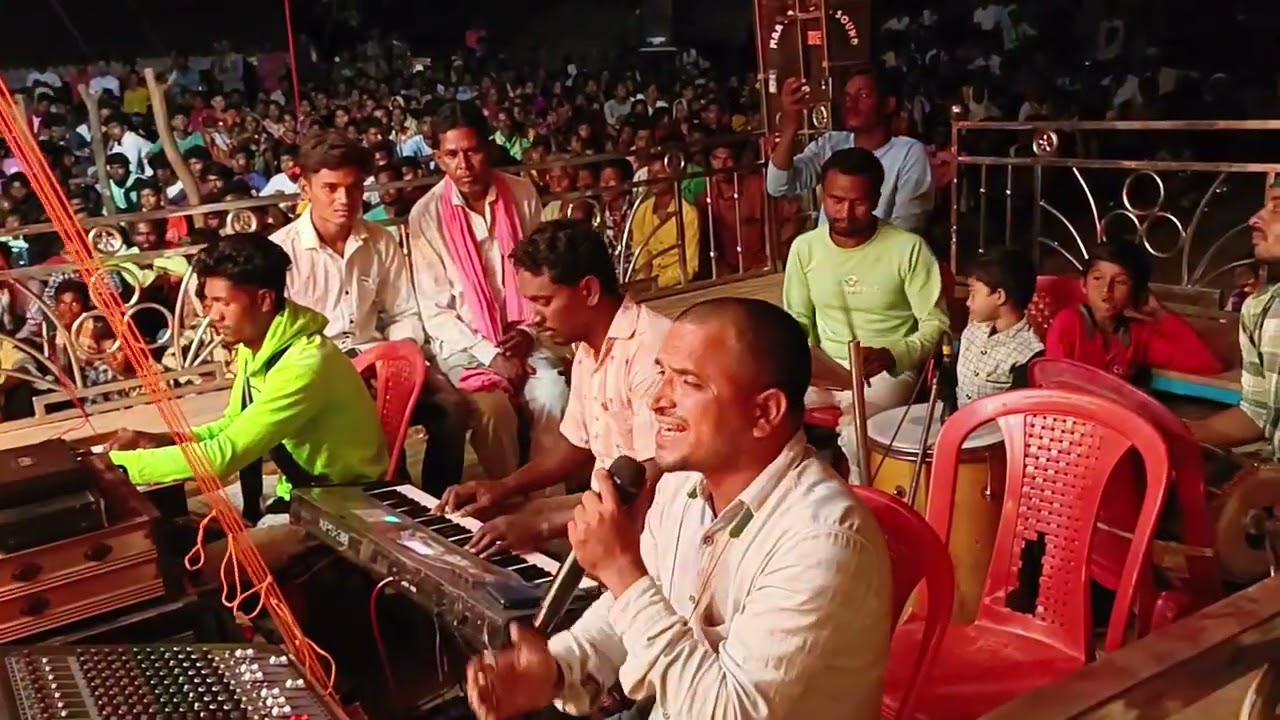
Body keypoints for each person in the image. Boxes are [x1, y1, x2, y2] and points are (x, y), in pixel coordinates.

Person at [463, 298, 891, 720]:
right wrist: (557, 670)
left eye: (688, 383)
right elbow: (629, 613)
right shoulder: (683, 486)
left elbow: (727, 712)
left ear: (764, 412)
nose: (658, 401)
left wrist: (621, 570)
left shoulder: (820, 540)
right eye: (662, 375)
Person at [107, 234, 387, 566]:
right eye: (209, 303)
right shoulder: (259, 345)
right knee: (170, 519)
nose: (213, 316)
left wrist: (115, 469)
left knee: (194, 568)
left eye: (224, 303)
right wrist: (163, 440)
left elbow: (223, 458)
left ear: (265, 299)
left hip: (337, 505)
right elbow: (233, 426)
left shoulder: (304, 364)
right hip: (293, 488)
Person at [437, 220, 670, 555]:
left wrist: (542, 524)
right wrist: (502, 488)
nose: (534, 318)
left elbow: (652, 480)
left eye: (544, 301)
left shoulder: (651, 351)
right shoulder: (589, 348)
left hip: (651, 532)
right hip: (606, 515)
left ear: (588, 291)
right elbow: (576, 444)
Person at [270, 130, 477, 492]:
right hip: (316, 371)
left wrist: (396, 362)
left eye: (353, 187)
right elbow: (279, 338)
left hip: (379, 360)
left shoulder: (380, 241)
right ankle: (390, 487)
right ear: (305, 189)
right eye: (330, 188)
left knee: (451, 406)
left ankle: (437, 501)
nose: (344, 199)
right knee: (372, 429)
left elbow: (403, 313)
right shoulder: (281, 252)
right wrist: (345, 370)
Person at [406, 101, 570, 479]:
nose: (464, 165)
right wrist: (490, 354)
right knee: (494, 413)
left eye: (472, 151)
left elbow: (540, 273)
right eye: (452, 155)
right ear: (438, 158)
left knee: (552, 394)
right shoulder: (426, 215)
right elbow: (436, 312)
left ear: (489, 149)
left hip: (523, 335)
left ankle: (546, 495)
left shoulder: (521, 192)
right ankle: (507, 496)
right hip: (464, 347)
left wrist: (528, 333)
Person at [783, 147, 949, 476]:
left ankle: (863, 499)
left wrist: (892, 355)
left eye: (858, 202)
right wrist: (798, 357)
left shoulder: (908, 249)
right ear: (822, 194)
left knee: (859, 437)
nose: (845, 212)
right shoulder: (805, 248)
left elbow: (936, 324)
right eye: (835, 200)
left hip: (887, 373)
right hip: (824, 370)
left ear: (876, 198)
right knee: (762, 411)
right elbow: (797, 321)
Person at [767, 68, 932, 235]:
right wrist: (791, 127)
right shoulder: (831, 143)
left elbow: (906, 228)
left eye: (863, 95)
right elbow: (777, 185)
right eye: (847, 97)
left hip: (880, 250)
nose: (851, 104)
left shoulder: (908, 153)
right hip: (827, 249)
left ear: (889, 104)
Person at [1044, 242, 1222, 382]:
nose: (1106, 290)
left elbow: (1208, 364)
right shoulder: (1068, 323)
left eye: (1120, 282)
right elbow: (1055, 387)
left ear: (1136, 293)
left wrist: (1161, 315)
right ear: (1083, 284)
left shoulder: (1138, 336)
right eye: (1098, 278)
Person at [1190, 179, 1280, 455]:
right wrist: (1170, 432)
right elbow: (1257, 413)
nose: (1254, 219)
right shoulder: (1260, 309)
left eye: (1277, 207)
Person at [957, 248, 1044, 405]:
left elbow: (1016, 409)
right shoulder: (973, 329)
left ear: (999, 296)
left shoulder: (1028, 353)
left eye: (973, 293)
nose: (968, 302)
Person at [628, 155, 701, 289]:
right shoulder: (641, 212)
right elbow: (641, 259)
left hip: (678, 287)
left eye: (659, 173)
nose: (652, 178)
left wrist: (657, 283)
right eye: (650, 172)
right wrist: (642, 284)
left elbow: (690, 268)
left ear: (673, 174)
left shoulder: (687, 213)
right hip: (648, 286)